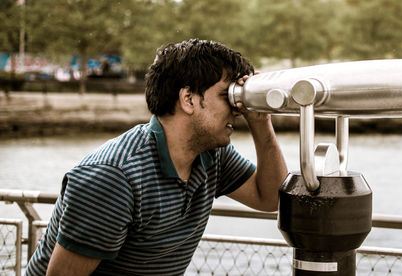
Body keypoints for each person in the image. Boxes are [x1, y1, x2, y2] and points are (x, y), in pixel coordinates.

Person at [25, 39, 288, 275]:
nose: (237, 110)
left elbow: (271, 197)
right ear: (188, 99)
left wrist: (261, 121)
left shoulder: (212, 156)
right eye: (227, 96)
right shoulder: (114, 178)